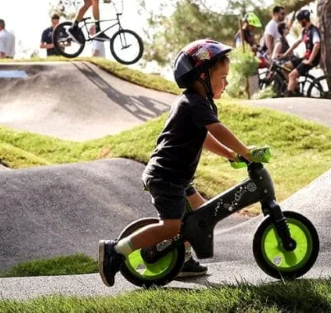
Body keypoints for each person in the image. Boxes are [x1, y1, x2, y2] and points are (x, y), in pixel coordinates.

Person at [97, 39, 265, 287]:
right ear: (202, 77)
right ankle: (116, 250)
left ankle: (183, 261)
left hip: (178, 177)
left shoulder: (198, 103)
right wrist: (244, 151)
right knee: (170, 228)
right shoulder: (194, 103)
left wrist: (232, 155)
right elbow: (217, 130)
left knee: (199, 215)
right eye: (222, 77)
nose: (227, 83)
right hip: (166, 177)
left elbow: (205, 138)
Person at [281, 9, 321, 97]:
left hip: (312, 59)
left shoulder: (314, 30)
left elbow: (317, 45)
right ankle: (294, 85)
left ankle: (289, 96)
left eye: (299, 21)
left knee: (292, 75)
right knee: (285, 67)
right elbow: (296, 43)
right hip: (305, 58)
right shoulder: (304, 31)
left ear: (304, 20)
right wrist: (285, 54)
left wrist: (310, 60)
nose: (299, 23)